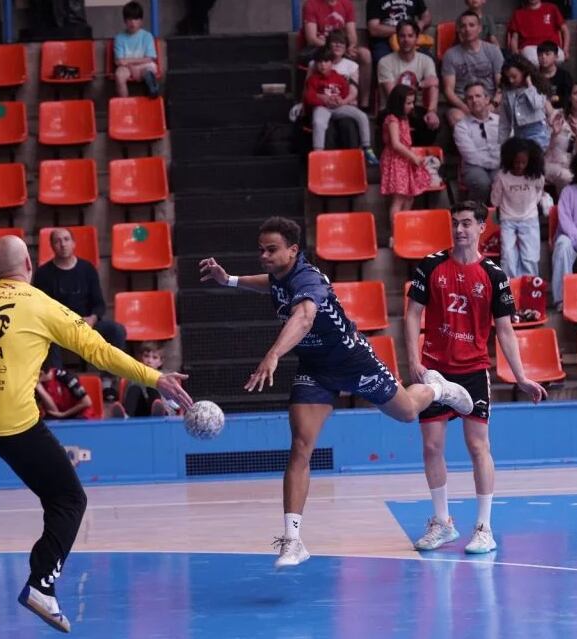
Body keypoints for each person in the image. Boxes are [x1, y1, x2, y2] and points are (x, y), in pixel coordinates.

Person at [0, 235, 192, 632]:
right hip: (10, 420)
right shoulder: (44, 305)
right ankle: (41, 584)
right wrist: (154, 377)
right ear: (28, 264)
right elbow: (100, 352)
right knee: (68, 499)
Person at [199, 218, 474, 569]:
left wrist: (273, 354)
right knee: (300, 446)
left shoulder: (308, 279)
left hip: (353, 360)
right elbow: (268, 284)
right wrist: (230, 281)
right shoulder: (280, 276)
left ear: (293, 251)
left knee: (407, 412)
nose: (264, 256)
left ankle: (437, 387)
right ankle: (293, 539)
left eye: (271, 250)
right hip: (315, 370)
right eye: (261, 249)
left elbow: (303, 318)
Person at [405, 201, 547, 555]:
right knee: (431, 446)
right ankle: (442, 523)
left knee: (478, 447)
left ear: (481, 227)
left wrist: (521, 377)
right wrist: (412, 359)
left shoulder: (495, 276)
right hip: (434, 369)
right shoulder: (432, 265)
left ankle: (483, 527)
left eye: (467, 223)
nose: (460, 230)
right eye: (455, 223)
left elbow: (505, 331)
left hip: (472, 371)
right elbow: (412, 314)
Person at [33, 228, 127, 400]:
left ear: (73, 243)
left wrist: (92, 318)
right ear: (52, 246)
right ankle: (58, 389)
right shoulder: (43, 274)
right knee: (45, 338)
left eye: (66, 239)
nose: (62, 244)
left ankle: (107, 385)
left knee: (116, 330)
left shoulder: (87, 269)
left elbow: (99, 304)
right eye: (57, 241)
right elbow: (39, 309)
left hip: (85, 323)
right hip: (57, 326)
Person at [303, 47, 378, 163]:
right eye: (319, 62)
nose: (322, 65)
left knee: (362, 116)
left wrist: (340, 100)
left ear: (332, 63)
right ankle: (318, 152)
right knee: (318, 122)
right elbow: (309, 97)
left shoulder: (338, 77)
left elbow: (345, 91)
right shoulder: (313, 79)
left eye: (326, 61)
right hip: (322, 107)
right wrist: (324, 100)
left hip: (339, 107)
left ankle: (367, 147)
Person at [377, 20, 440, 146]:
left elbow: (433, 84)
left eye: (410, 36)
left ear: (417, 38)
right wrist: (420, 85)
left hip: (416, 107)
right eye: (402, 36)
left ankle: (419, 159)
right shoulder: (385, 62)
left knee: (432, 123)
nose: (406, 40)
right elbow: (394, 97)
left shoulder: (426, 60)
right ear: (396, 38)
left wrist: (432, 111)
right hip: (392, 109)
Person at [300, 0, 372, 108]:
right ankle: (307, 101)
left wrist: (350, 46)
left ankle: (364, 103)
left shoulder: (346, 3)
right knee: (320, 58)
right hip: (321, 47)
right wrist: (330, 46)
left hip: (342, 45)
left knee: (365, 54)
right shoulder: (311, 4)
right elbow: (311, 38)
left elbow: (352, 34)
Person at [492, 137, 547, 277]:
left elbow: (540, 191)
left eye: (523, 162)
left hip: (529, 219)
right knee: (508, 256)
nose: (520, 166)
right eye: (516, 162)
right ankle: (510, 287)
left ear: (530, 162)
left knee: (530, 257)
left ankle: (530, 286)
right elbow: (495, 200)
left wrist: (533, 204)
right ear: (509, 160)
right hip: (508, 220)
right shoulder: (502, 176)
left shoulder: (536, 176)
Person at [381, 84, 434, 226]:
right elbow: (396, 144)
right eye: (408, 103)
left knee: (409, 196)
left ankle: (404, 228)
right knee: (399, 198)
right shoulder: (392, 119)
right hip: (396, 161)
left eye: (412, 102)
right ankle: (396, 234)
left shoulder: (404, 118)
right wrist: (413, 157)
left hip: (405, 160)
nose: (412, 106)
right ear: (399, 103)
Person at [441, 10, 504, 127]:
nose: (467, 29)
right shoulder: (450, 55)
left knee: (509, 111)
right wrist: (465, 108)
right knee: (455, 117)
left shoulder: (493, 50)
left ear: (479, 28)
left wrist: (493, 104)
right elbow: (448, 90)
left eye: (472, 25)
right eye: (463, 26)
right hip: (464, 102)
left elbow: (501, 84)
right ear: (459, 30)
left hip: (489, 100)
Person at [454, 82, 502, 205]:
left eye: (478, 96)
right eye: (470, 98)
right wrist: (493, 163)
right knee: (482, 183)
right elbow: (470, 155)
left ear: (487, 99)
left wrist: (499, 163)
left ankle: (499, 220)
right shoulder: (461, 126)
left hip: (499, 164)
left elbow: (508, 146)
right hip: (473, 166)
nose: (474, 100)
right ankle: (478, 219)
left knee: (503, 180)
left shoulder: (500, 122)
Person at [498, 55, 554, 148]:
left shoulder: (537, 87)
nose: (511, 80)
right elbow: (505, 121)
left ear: (523, 72)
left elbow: (537, 104)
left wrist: (530, 86)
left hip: (538, 136)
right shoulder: (507, 93)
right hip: (519, 136)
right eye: (508, 77)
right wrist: (502, 144)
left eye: (514, 76)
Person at [116, 341, 178, 417]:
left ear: (160, 362)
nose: (149, 361)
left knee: (152, 389)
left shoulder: (166, 377)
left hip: (163, 410)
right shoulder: (135, 375)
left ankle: (159, 414)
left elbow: (173, 402)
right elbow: (129, 397)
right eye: (146, 356)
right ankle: (126, 415)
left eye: (154, 357)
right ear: (141, 358)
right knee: (134, 388)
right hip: (139, 411)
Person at [113, 1, 159, 98]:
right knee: (119, 75)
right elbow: (119, 61)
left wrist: (129, 62)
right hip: (126, 67)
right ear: (125, 21)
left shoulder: (147, 36)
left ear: (141, 21)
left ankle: (152, 91)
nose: (133, 22)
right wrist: (131, 67)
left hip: (144, 65)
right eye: (130, 19)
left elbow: (150, 58)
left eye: (136, 19)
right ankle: (125, 104)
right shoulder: (119, 38)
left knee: (148, 71)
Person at [367, 0, 431, 64]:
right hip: (385, 42)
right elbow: (373, 29)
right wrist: (401, 29)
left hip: (410, 38)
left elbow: (426, 15)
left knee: (428, 58)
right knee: (383, 61)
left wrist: (421, 24)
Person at [508, 0, 569, 66]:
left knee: (560, 57)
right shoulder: (518, 14)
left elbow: (565, 30)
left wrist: (565, 49)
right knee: (534, 60)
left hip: (550, 46)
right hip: (530, 47)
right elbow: (514, 38)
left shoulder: (552, 8)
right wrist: (515, 54)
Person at [551, 155, 577, 308]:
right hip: (570, 238)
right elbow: (565, 220)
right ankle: (562, 300)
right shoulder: (568, 191)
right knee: (562, 244)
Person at [545, 83, 577, 190]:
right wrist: (553, 134)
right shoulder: (557, 116)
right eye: (576, 93)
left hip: (573, 167)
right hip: (553, 164)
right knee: (568, 177)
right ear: (570, 97)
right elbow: (541, 146)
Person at [538, 40, 573, 109]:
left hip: (560, 111)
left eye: (547, 54)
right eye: (540, 55)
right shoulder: (534, 76)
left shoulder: (564, 76)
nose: (543, 57)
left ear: (556, 57)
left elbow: (568, 97)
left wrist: (556, 98)